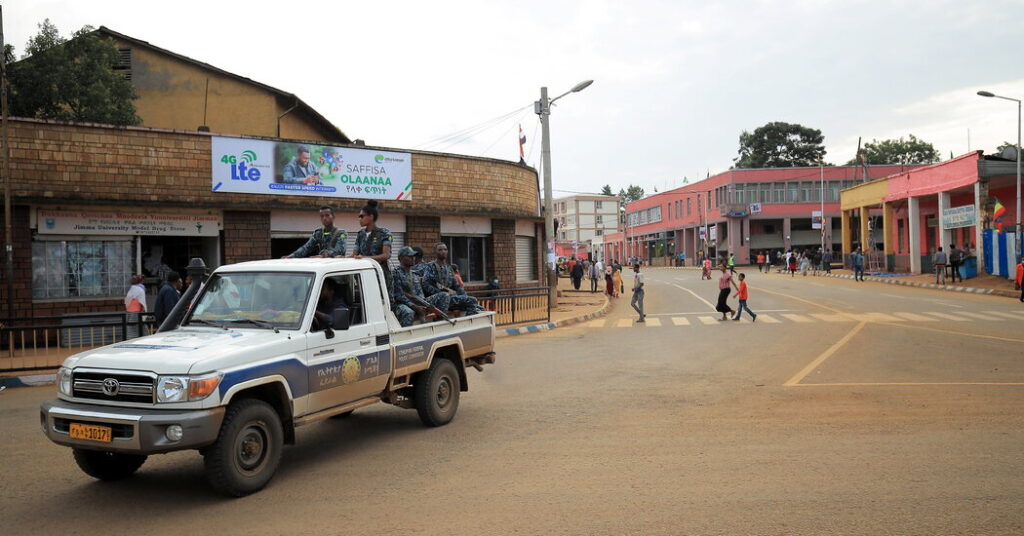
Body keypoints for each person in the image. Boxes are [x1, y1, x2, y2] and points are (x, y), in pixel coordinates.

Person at [392, 247, 450, 327]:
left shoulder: (415, 274)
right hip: (404, 304)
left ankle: (439, 325)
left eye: (414, 256)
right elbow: (399, 295)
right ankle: (406, 336)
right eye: (409, 256)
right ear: (401, 258)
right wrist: (415, 307)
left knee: (444, 295)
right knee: (408, 312)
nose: (413, 258)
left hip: (419, 302)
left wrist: (424, 305)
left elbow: (420, 294)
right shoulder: (395, 274)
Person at [422, 242, 481, 315]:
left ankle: (467, 323)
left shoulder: (449, 269)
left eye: (445, 249)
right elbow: (426, 284)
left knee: (473, 300)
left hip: (450, 298)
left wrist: (464, 296)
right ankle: (440, 320)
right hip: (437, 299)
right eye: (440, 250)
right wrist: (440, 293)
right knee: (445, 296)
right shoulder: (430, 266)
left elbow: (457, 286)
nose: (443, 251)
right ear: (435, 252)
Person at [353, 200, 394, 293]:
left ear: (371, 217)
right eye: (359, 216)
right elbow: (354, 255)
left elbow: (386, 255)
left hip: (381, 276)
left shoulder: (384, 233)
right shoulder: (360, 234)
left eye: (362, 216)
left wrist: (365, 258)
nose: (359, 219)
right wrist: (336, 258)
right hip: (365, 275)